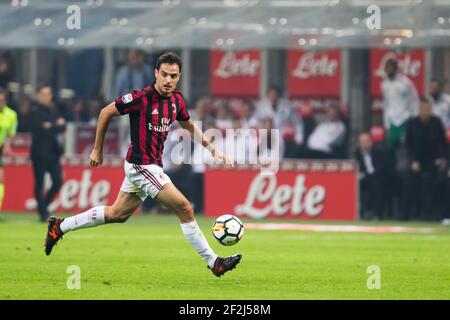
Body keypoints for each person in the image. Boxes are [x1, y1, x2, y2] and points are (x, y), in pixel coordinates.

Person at [44, 52, 242, 277]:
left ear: (179, 77)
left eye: (173, 76)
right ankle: (214, 262)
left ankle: (59, 227)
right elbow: (105, 112)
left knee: (117, 214)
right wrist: (97, 148)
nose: (168, 80)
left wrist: (213, 149)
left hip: (151, 167)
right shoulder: (141, 98)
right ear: (156, 73)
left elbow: (188, 125)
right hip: (141, 166)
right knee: (185, 208)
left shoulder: (177, 100)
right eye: (164, 74)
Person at [403, 98, 448, 221]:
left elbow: (442, 143)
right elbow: (408, 145)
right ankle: (406, 215)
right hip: (415, 160)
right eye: (423, 109)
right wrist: (412, 161)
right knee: (408, 182)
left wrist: (443, 159)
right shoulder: (412, 123)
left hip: (432, 161)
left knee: (432, 184)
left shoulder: (436, 122)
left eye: (427, 109)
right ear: (419, 109)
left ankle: (430, 215)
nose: (425, 111)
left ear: (430, 109)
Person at [30, 84, 66, 222]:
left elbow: (62, 126)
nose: (46, 97)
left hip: (53, 152)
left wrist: (51, 125)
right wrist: (55, 125)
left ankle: (43, 206)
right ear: (38, 96)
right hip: (39, 153)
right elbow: (39, 128)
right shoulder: (34, 112)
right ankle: (43, 213)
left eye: (48, 94)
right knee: (39, 182)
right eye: (43, 94)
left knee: (58, 181)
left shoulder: (53, 111)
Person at [381, 58, 419, 148]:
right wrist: (386, 123)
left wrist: (413, 118)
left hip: (405, 120)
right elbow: (386, 104)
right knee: (390, 149)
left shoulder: (406, 82)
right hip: (391, 122)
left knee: (406, 147)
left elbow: (414, 100)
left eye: (391, 67)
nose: (389, 70)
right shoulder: (384, 84)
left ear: (396, 68)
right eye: (387, 68)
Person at [355, 132, 392, 220]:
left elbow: (380, 169)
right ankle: (361, 213)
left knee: (376, 183)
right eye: (361, 141)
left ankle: (378, 214)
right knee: (357, 183)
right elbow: (359, 167)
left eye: (365, 141)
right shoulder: (358, 152)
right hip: (367, 177)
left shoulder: (379, 150)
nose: (363, 143)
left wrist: (367, 175)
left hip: (382, 177)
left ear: (371, 141)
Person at [0, 88, 18, 210]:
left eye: (1, 99)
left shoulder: (11, 115)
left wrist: (7, 145)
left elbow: (11, 134)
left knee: (1, 179)